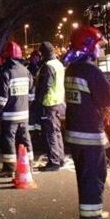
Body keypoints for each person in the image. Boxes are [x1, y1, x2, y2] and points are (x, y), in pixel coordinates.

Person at [64, 26, 110, 219]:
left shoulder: (73, 69)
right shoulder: (91, 70)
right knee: (94, 176)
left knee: (86, 176)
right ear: (88, 46)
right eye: (98, 45)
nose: (100, 49)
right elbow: (106, 99)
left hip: (76, 133)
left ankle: (91, 214)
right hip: (89, 134)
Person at [0, 41, 35, 175]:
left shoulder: (5, 73)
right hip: (24, 114)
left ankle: (9, 168)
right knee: (25, 138)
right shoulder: (26, 71)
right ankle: (29, 165)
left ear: (7, 57)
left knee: (8, 140)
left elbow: (1, 99)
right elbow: (32, 95)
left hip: (9, 116)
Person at [35, 41, 66, 171]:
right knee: (57, 131)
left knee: (50, 133)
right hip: (58, 102)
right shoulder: (58, 64)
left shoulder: (48, 66)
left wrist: (39, 100)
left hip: (49, 103)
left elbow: (45, 86)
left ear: (43, 53)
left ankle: (54, 161)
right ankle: (60, 158)